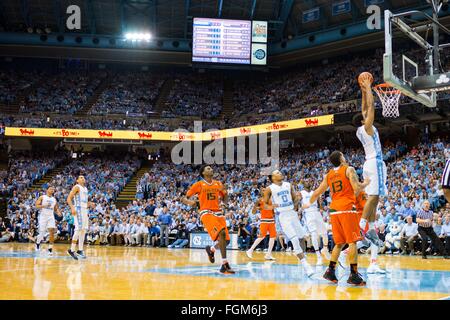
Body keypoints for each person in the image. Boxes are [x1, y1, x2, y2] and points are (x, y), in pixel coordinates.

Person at [303, 151, 370, 285]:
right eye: (343, 155)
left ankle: (330, 271)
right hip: (346, 208)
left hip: (334, 211)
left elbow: (316, 193)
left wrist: (308, 204)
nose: (345, 157)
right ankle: (354, 275)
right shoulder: (349, 169)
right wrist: (366, 183)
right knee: (352, 242)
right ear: (341, 158)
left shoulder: (328, 175)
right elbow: (356, 188)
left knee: (339, 243)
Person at [353, 71, 387, 273]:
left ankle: (373, 260)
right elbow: (371, 107)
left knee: (374, 205)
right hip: (375, 163)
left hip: (369, 163)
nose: (367, 114)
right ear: (362, 120)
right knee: (374, 197)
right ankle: (361, 226)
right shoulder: (367, 127)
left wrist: (363, 92)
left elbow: (365, 107)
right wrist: (368, 88)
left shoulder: (361, 129)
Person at [182, 165, 235, 274]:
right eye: (208, 168)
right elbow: (183, 197)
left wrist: (225, 204)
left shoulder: (218, 183)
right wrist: (190, 202)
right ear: (203, 173)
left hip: (218, 212)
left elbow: (225, 195)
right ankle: (224, 264)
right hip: (206, 213)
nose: (211, 169)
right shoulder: (198, 184)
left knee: (227, 241)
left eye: (211, 168)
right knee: (221, 234)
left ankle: (211, 250)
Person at [264, 170, 314, 277]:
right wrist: (273, 206)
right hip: (283, 216)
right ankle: (306, 266)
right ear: (272, 177)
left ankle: (303, 257)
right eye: (277, 173)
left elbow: (295, 198)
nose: (280, 173)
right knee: (294, 239)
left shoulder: (288, 185)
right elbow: (264, 205)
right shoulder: (269, 189)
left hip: (293, 214)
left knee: (301, 238)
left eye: (280, 172)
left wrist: (297, 201)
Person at [299, 182, 330, 265]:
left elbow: (320, 204)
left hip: (316, 213)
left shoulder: (315, 192)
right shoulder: (301, 193)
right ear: (303, 184)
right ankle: (318, 256)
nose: (308, 181)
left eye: (309, 181)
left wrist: (322, 208)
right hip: (308, 214)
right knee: (314, 234)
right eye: (306, 180)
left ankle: (325, 249)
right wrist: (300, 208)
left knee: (324, 234)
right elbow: (296, 202)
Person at [66, 175, 94, 260]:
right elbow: (69, 198)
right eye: (81, 177)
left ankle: (80, 250)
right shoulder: (76, 187)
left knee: (83, 230)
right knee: (78, 229)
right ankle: (71, 249)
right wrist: (72, 208)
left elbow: (84, 201)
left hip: (85, 210)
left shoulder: (85, 189)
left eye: (83, 177)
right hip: (78, 210)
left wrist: (90, 204)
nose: (83, 178)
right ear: (77, 180)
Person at [246, 188, 277, 260]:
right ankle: (250, 250)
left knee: (272, 237)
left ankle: (268, 254)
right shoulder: (259, 201)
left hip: (271, 221)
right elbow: (253, 212)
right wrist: (256, 207)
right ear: (261, 192)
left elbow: (272, 211)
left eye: (265, 190)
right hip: (264, 221)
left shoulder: (271, 200)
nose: (264, 191)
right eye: (263, 190)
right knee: (261, 237)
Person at [35, 186, 62, 255]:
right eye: (51, 189)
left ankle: (50, 249)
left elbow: (55, 208)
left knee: (52, 232)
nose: (52, 190)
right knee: (42, 232)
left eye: (53, 189)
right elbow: (36, 206)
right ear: (47, 190)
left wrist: (58, 213)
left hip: (51, 217)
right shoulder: (42, 197)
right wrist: (43, 206)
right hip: (43, 217)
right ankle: (37, 243)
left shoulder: (54, 199)